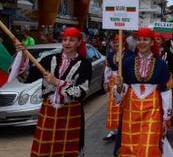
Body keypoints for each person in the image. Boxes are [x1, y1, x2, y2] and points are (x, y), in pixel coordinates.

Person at [14, 27, 92, 156]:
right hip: (49, 110)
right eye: (65, 39)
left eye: (71, 40)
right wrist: (22, 56)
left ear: (79, 43)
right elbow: (26, 77)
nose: (67, 43)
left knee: (67, 148)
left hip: (71, 111)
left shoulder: (84, 64)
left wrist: (57, 82)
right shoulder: (49, 59)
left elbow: (81, 92)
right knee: (44, 148)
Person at [113, 27, 173, 156]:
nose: (141, 42)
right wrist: (118, 87)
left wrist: (166, 116)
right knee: (130, 145)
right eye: (139, 39)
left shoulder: (161, 63)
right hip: (131, 108)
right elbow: (123, 89)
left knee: (148, 146)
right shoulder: (127, 62)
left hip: (152, 110)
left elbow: (166, 91)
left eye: (145, 39)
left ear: (152, 42)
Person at [103, 33, 133, 141]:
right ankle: (112, 130)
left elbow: (131, 70)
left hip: (125, 82)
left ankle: (123, 128)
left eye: (118, 42)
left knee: (124, 105)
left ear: (124, 42)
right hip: (113, 82)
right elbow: (108, 69)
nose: (116, 44)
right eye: (115, 42)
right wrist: (106, 81)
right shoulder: (110, 55)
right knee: (113, 106)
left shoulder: (130, 54)